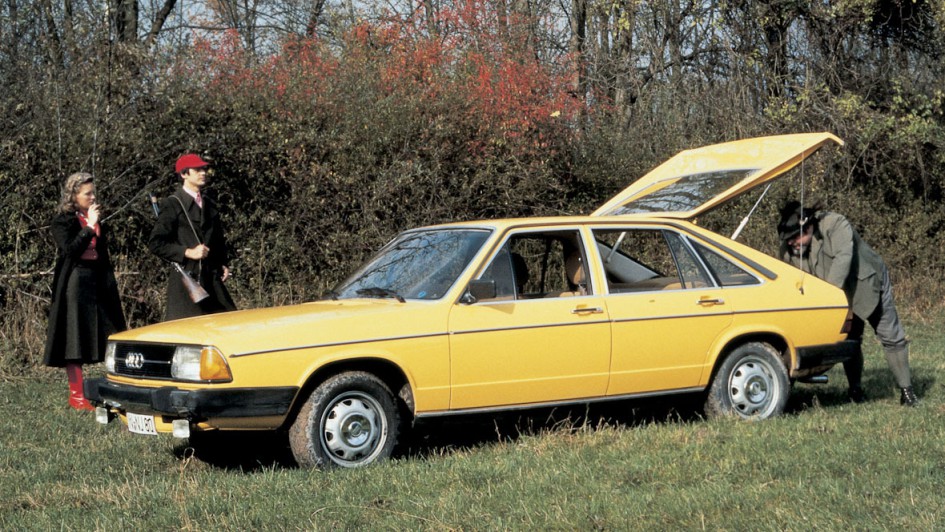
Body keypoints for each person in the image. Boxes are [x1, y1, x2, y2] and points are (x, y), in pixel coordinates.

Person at [777, 200, 918, 406]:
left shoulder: (835, 224)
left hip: (868, 284)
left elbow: (843, 258)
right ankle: (855, 390)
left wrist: (828, 300)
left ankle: (907, 392)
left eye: (794, 238)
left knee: (891, 337)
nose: (791, 244)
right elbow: (787, 278)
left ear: (807, 227)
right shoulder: (789, 248)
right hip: (837, 296)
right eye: (787, 240)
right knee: (850, 340)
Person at [44, 172, 127, 411]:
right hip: (75, 281)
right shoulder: (63, 220)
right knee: (75, 337)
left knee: (113, 333)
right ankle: (77, 396)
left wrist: (94, 223)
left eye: (93, 192)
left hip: (98, 279)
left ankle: (118, 387)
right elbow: (69, 250)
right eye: (87, 193)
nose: (93, 197)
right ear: (74, 195)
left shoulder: (94, 216)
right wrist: (90, 226)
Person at [149, 153, 236, 321]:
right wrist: (187, 252)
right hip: (187, 282)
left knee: (228, 323)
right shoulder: (172, 204)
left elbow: (217, 240)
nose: (203, 173)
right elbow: (156, 243)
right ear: (184, 174)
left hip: (212, 281)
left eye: (203, 169)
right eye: (197, 170)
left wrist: (222, 263)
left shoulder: (210, 203)